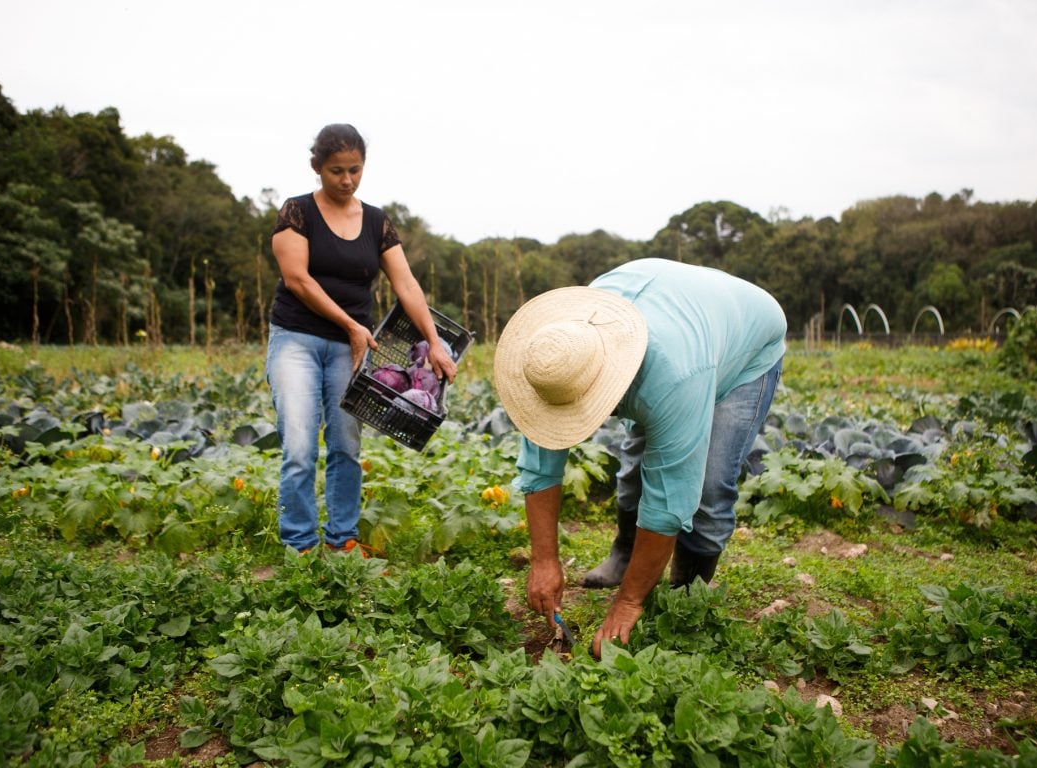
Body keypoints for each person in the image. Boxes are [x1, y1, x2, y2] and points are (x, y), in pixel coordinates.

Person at [493, 258, 786, 656]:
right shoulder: (557, 356)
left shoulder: (673, 375)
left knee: (709, 486)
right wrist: (544, 560)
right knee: (634, 468)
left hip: (746, 342)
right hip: (674, 307)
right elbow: (539, 467)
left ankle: (684, 598)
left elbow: (669, 502)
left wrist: (627, 605)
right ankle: (625, 552)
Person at [266, 123, 455, 555]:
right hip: (297, 339)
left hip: (352, 348)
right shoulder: (297, 212)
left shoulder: (375, 221)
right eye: (336, 171)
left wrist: (435, 342)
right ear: (317, 167)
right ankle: (299, 544)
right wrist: (351, 326)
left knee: (346, 444)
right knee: (298, 444)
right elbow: (296, 279)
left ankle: (341, 538)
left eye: (354, 169)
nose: (347, 180)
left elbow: (406, 284)